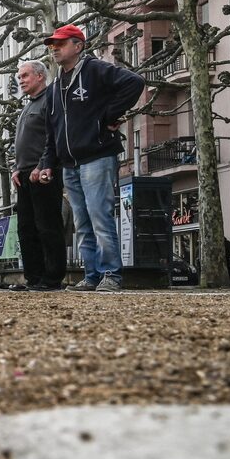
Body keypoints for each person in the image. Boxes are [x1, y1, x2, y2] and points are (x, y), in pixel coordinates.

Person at [38, 25, 144, 293]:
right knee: (82, 223)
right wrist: (48, 163)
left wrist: (109, 116)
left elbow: (135, 82)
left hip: (97, 156)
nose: (54, 49)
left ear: (78, 45)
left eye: (60, 44)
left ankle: (112, 274)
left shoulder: (95, 70)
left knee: (100, 217)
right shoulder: (54, 88)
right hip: (70, 164)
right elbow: (52, 131)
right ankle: (92, 274)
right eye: (52, 45)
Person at [10, 60, 66, 292]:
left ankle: (52, 277)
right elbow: (24, 141)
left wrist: (44, 165)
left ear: (40, 76)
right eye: (19, 77)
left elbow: (52, 137)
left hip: (42, 172)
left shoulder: (51, 101)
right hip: (24, 174)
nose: (20, 80)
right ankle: (33, 277)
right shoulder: (28, 105)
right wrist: (16, 167)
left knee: (47, 225)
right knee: (26, 228)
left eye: (25, 76)